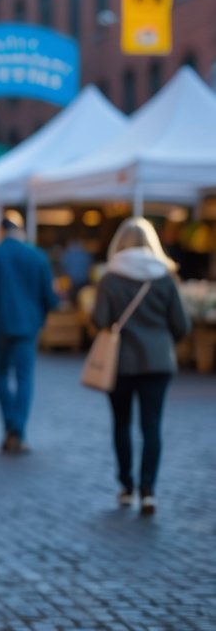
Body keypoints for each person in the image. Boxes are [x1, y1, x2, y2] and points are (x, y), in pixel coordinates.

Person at [91, 217, 190, 515]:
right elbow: (181, 325)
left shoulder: (110, 277)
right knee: (152, 426)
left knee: (121, 423)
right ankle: (148, 490)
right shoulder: (164, 276)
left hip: (119, 362)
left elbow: (99, 320)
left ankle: (126, 486)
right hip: (158, 362)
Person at [0, 213, 58, 453]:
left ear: (1, 231)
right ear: (20, 230)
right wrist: (40, 317)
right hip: (28, 326)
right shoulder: (37, 256)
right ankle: (17, 429)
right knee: (24, 377)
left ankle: (11, 426)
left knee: (1, 375)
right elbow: (50, 297)